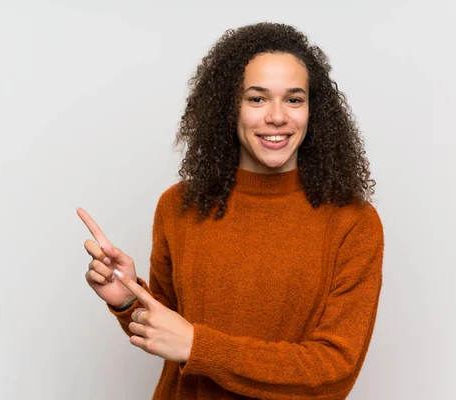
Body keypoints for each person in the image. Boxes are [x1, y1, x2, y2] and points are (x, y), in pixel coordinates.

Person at [77, 22, 383, 400]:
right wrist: (126, 299)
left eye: (294, 99)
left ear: (312, 110)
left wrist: (198, 347)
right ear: (230, 107)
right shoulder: (178, 206)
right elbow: (168, 330)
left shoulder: (352, 222)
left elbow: (334, 368)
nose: (276, 116)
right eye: (257, 99)